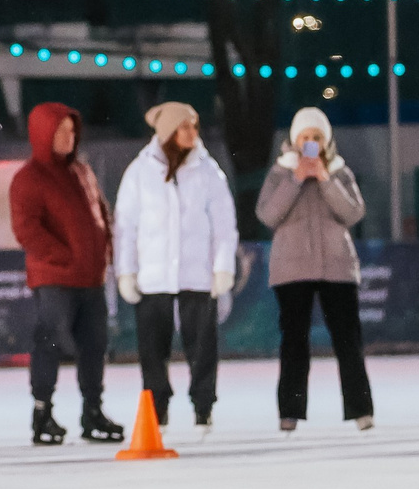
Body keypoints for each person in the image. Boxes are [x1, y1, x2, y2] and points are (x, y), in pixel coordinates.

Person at [112, 100, 237, 434]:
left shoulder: (208, 171)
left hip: (197, 275)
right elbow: (125, 227)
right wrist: (126, 271)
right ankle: (157, 411)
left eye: (194, 126)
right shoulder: (139, 172)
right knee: (153, 350)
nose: (192, 133)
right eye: (185, 127)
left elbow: (224, 224)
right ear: (168, 132)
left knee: (203, 347)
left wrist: (223, 267)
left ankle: (203, 408)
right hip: (154, 278)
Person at [7, 101, 123, 446]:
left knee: (94, 345)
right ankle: (42, 412)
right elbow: (27, 229)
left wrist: (106, 250)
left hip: (91, 277)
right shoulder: (28, 179)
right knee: (50, 342)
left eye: (73, 131)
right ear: (43, 134)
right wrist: (65, 257)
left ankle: (92, 411)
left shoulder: (82, 172)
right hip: (55, 278)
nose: (69, 138)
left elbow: (101, 213)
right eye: (61, 131)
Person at [257, 106, 374, 432]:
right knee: (294, 341)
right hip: (292, 270)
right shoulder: (281, 172)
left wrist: (324, 179)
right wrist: (296, 179)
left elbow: (352, 213)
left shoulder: (339, 171)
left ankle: (361, 409)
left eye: (317, 137)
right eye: (305, 137)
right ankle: (289, 412)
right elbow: (268, 215)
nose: (311, 143)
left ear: (326, 141)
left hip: (336, 269)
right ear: (295, 140)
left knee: (348, 341)